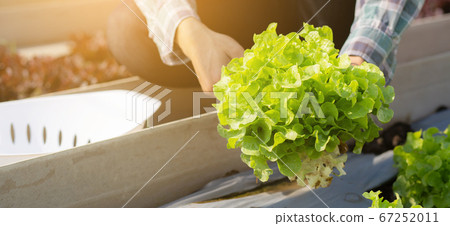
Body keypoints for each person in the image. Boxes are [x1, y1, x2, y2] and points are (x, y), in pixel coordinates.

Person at [107, 0, 424, 92]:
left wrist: (361, 56)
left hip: (320, 15)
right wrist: (188, 31)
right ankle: (246, 84)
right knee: (128, 29)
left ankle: (313, 82)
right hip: (242, 16)